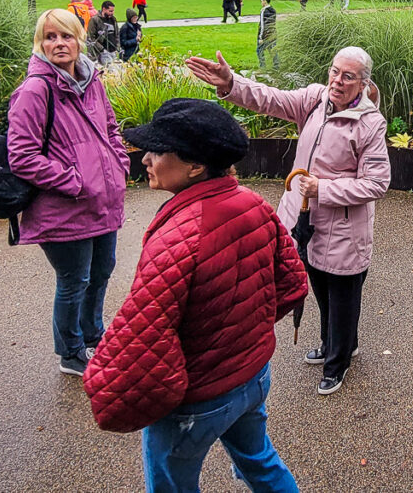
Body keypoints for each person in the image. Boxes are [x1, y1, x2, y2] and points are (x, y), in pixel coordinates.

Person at [84, 98, 307, 492]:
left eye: (157, 151)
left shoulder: (178, 234)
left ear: (196, 166)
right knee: (261, 463)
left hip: (200, 396)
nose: (146, 159)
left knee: (172, 485)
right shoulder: (254, 204)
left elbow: (144, 334)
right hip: (253, 375)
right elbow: (290, 283)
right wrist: (242, 333)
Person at [185, 47, 391, 395]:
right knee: (320, 286)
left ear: (363, 84)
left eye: (348, 76)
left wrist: (322, 188)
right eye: (335, 71)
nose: (337, 81)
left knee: (342, 294)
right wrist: (230, 83)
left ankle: (337, 362)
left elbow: (376, 183)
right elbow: (270, 99)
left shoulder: (370, 124)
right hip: (304, 220)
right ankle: (336, 344)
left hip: (343, 227)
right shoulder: (314, 99)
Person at [7, 9, 130, 377]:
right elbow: (22, 156)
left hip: (102, 202)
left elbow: (110, 128)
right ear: (40, 44)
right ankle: (71, 351)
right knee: (74, 280)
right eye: (50, 37)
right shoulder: (35, 90)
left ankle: (93, 334)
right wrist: (73, 182)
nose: (59, 43)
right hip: (64, 207)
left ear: (79, 40)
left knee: (102, 270)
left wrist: (119, 164)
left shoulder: (91, 81)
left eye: (66, 36)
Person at [86, 0, 119, 65]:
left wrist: (117, 47)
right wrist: (102, 49)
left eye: (113, 11)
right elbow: (91, 37)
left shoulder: (113, 19)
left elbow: (117, 34)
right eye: (110, 11)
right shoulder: (95, 20)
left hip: (113, 50)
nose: (112, 13)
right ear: (104, 9)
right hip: (102, 52)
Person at [257, 0, 278, 69]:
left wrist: (261, 37)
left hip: (265, 35)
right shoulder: (273, 10)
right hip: (272, 34)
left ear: (265, 1)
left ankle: (263, 67)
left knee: (259, 50)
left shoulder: (264, 11)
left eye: (262, 1)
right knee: (273, 50)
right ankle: (276, 66)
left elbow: (263, 25)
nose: (261, 3)